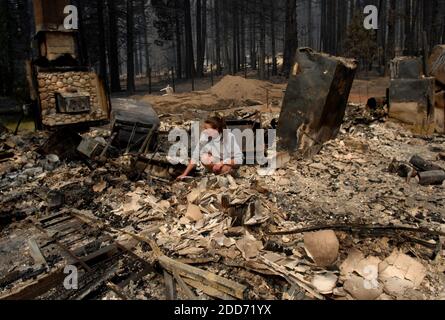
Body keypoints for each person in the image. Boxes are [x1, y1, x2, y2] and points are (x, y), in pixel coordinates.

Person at [177, 116, 243, 180]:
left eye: (206, 128)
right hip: (217, 161)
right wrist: (184, 174)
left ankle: (230, 174)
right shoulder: (204, 136)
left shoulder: (228, 137)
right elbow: (195, 155)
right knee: (204, 157)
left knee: (225, 169)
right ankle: (217, 173)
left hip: (230, 162)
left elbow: (239, 159)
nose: (204, 131)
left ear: (216, 129)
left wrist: (221, 163)